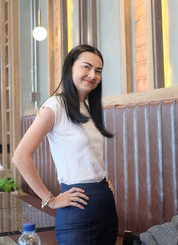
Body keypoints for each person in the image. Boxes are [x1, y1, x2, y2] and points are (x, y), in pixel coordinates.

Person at [12, 44, 118, 245]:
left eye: (98, 71)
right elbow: (20, 156)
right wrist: (50, 200)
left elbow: (88, 156)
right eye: (86, 67)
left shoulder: (88, 108)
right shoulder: (55, 106)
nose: (93, 75)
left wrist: (101, 180)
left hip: (105, 203)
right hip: (77, 209)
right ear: (70, 68)